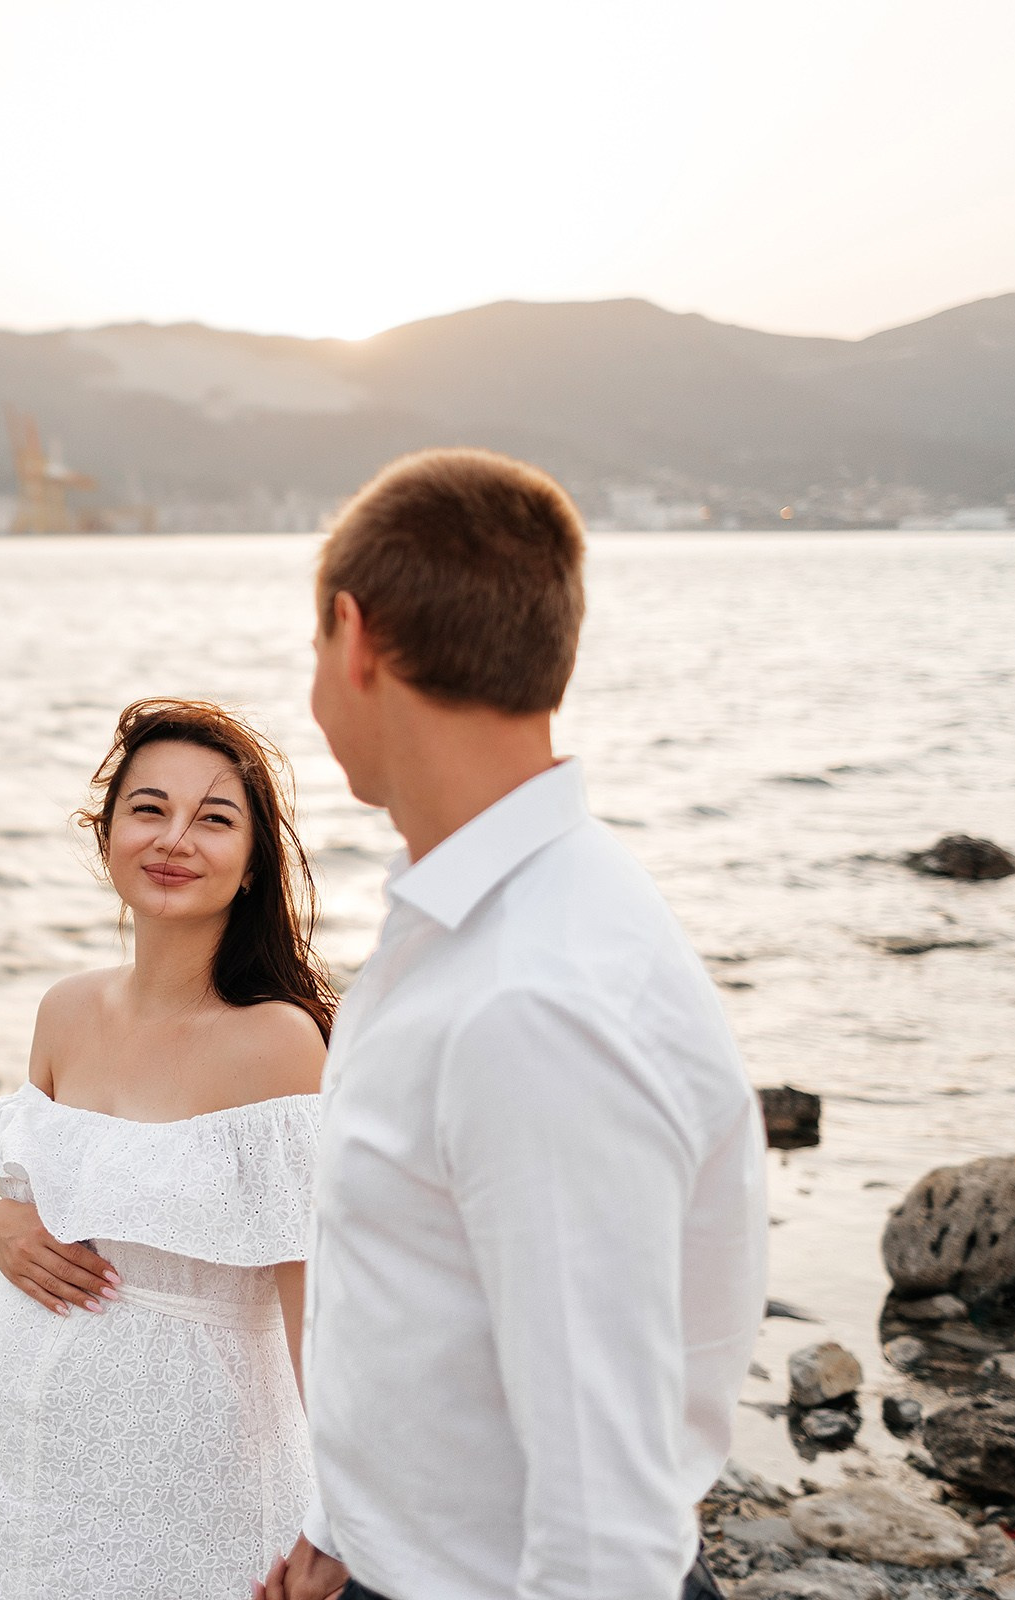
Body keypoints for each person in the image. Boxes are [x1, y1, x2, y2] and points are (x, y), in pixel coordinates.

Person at [257, 449, 768, 1600]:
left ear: (356, 636)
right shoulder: (476, 918)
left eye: (312, 654)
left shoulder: (531, 1001)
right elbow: (430, 1293)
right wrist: (350, 1516)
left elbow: (606, 1535)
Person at [0, 698, 336, 1600]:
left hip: (196, 1473)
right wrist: (0, 1225)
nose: (175, 839)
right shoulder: (65, 1010)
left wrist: (346, 1516)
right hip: (19, 1450)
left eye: (215, 819)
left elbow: (314, 1302)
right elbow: (49, 1198)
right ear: (108, 833)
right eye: (149, 808)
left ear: (250, 866)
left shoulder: (277, 1044)